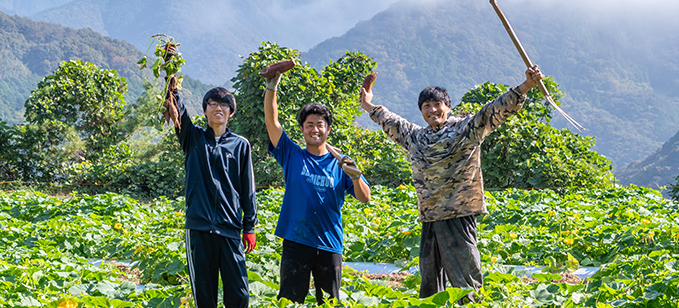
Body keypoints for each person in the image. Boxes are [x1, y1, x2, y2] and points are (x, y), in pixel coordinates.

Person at [359, 65, 544, 303]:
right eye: (427, 106)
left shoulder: (465, 129)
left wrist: (526, 86)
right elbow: (392, 122)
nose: (433, 109)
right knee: (429, 283)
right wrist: (368, 106)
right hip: (430, 216)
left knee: (465, 282)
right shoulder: (416, 137)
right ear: (421, 111)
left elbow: (493, 111)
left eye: (438, 105)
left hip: (459, 213)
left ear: (448, 107)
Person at [263, 70, 372, 305]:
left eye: (319, 125)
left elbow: (365, 198)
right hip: (296, 241)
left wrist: (355, 176)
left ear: (328, 129)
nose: (315, 129)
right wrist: (272, 86)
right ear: (302, 129)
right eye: (309, 124)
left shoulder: (342, 162)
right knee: (290, 302)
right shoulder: (292, 155)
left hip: (329, 243)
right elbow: (272, 122)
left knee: (330, 303)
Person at [167, 79, 258, 308]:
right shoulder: (192, 138)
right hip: (199, 227)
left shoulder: (240, 145)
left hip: (229, 227)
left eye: (224, 105)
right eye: (213, 104)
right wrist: (170, 72)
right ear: (205, 110)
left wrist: (249, 226)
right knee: (204, 295)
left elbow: (248, 188)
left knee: (239, 293)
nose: (219, 108)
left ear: (231, 112)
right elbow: (177, 109)